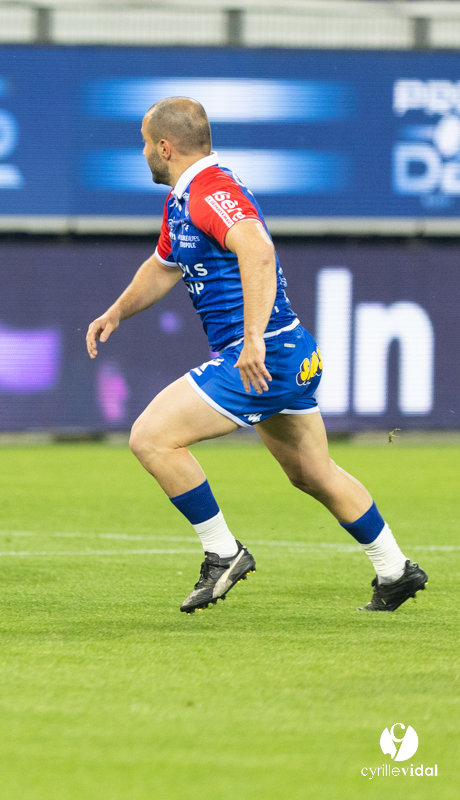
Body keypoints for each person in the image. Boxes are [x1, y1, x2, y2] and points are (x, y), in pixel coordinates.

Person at [86, 97, 428, 613]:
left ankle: (223, 553)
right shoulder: (184, 198)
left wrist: (252, 338)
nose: (143, 154)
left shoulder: (209, 190)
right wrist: (116, 311)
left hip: (264, 355)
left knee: (152, 438)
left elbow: (258, 249)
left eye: (143, 143)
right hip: (287, 354)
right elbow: (163, 265)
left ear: (165, 146)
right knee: (312, 472)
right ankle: (396, 570)